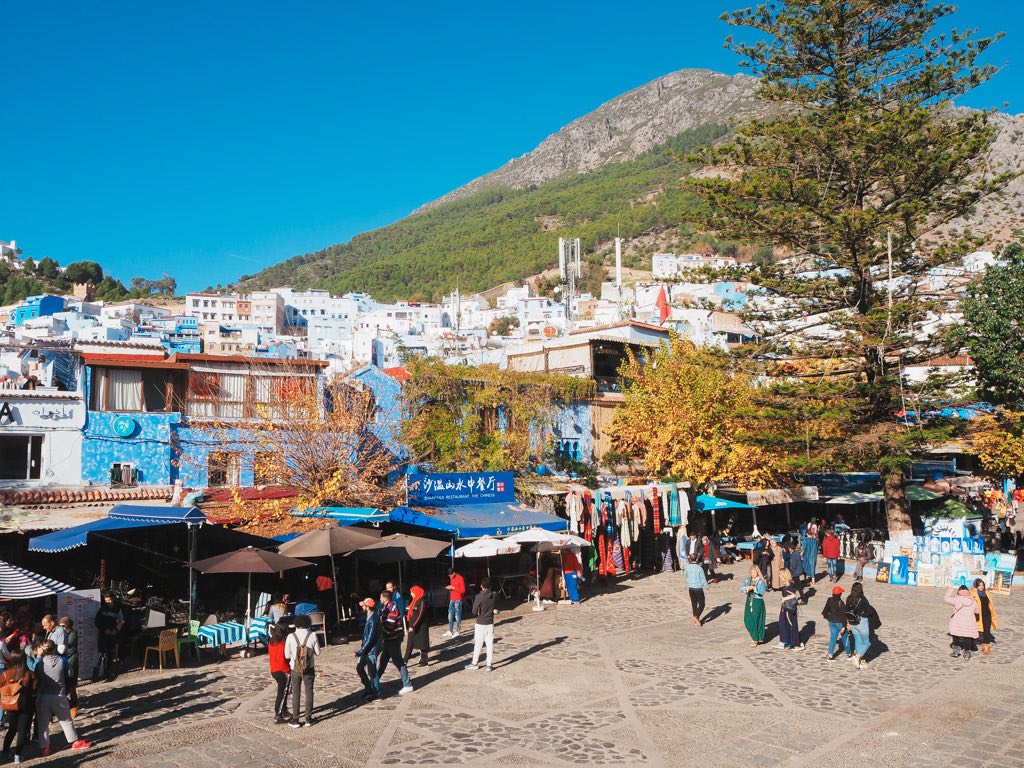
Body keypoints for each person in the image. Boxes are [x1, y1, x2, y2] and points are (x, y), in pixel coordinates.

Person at [34, 640, 90, 755]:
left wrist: (39, 656)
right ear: (55, 649)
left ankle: (45, 748)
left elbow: (34, 673)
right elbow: (70, 673)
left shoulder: (39, 663)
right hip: (59, 695)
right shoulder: (63, 660)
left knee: (43, 724)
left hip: (42, 696)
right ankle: (74, 742)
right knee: (66, 721)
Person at [284, 614, 320, 727]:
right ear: (308, 623)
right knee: (309, 692)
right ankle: (308, 719)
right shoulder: (313, 635)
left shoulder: (291, 636)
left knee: (296, 693)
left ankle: (295, 720)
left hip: (295, 668)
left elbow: (286, 655)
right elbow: (318, 653)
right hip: (309, 668)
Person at [376, 590, 413, 695]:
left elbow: (390, 626)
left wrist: (381, 632)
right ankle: (375, 680)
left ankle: (407, 684)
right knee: (383, 661)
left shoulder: (392, 608)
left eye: (381, 597)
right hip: (388, 639)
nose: (380, 599)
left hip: (393, 639)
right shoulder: (385, 607)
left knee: (398, 662)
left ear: (385, 598)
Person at [465, 577, 497, 671]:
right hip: (490, 622)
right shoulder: (494, 594)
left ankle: (474, 663)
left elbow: (474, 612)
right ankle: (489, 665)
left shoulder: (479, 596)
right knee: (489, 644)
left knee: (478, 644)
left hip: (480, 623)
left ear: (481, 586)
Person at [92, 592, 123, 681]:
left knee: (110, 654)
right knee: (100, 653)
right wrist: (104, 629)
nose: (107, 602)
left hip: (112, 635)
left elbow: (121, 621)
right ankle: (95, 673)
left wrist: (116, 630)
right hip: (103, 634)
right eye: (106, 601)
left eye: (109, 600)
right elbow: (96, 622)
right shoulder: (102, 609)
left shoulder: (118, 609)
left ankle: (108, 672)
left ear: (113, 599)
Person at [844, 581, 877, 668]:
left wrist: (847, 623)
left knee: (858, 641)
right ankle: (857, 657)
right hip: (862, 622)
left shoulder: (849, 598)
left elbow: (846, 611)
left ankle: (860, 662)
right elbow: (869, 610)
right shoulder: (863, 599)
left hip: (852, 622)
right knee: (866, 642)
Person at [355, 598, 381, 700]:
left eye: (363, 605)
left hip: (371, 649)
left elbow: (371, 638)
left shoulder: (374, 618)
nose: (362, 607)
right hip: (367, 648)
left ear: (368, 607)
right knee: (359, 667)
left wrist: (361, 651)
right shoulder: (369, 616)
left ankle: (376, 692)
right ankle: (368, 689)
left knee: (372, 672)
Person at [946, 584, 980, 660]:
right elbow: (977, 611)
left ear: (959, 592)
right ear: (968, 592)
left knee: (955, 635)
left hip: (957, 622)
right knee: (968, 636)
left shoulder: (956, 599)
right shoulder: (973, 601)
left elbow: (946, 598)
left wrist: (950, 589)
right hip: (969, 622)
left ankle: (956, 651)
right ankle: (967, 653)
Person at [267, 623, 292, 723]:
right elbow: (286, 657)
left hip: (274, 670)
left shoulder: (271, 642)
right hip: (283, 671)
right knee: (281, 694)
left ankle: (284, 710)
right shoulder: (283, 643)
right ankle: (278, 715)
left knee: (283, 693)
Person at [822, 586, 851, 660]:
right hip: (840, 624)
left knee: (833, 639)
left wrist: (828, 618)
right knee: (845, 639)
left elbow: (825, 612)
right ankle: (849, 654)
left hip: (831, 623)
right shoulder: (841, 603)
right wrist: (844, 626)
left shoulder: (829, 600)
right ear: (840, 594)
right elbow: (843, 616)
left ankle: (830, 655)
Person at [970, 578, 998, 656]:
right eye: (979, 585)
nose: (981, 587)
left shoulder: (986, 592)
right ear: (976, 585)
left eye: (982, 585)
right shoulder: (972, 593)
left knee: (987, 631)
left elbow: (990, 603)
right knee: (975, 629)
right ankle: (970, 644)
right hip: (977, 615)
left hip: (987, 614)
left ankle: (986, 647)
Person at [741, 565, 767, 647]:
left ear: (757, 572)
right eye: (751, 572)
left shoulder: (760, 581)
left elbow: (762, 592)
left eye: (753, 572)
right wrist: (746, 588)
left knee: (756, 619)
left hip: (757, 601)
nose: (752, 574)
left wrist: (753, 588)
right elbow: (741, 588)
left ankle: (754, 639)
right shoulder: (748, 580)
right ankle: (754, 635)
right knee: (747, 619)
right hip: (749, 601)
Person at [403, 586, 430, 667]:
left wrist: (413, 626)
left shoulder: (422, 601)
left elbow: (420, 615)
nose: (411, 594)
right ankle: (405, 660)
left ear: (416, 592)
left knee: (423, 644)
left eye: (412, 592)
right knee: (410, 643)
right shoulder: (415, 600)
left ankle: (424, 661)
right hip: (413, 625)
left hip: (420, 626)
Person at [777, 568, 803, 650]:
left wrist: (784, 599)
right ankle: (788, 642)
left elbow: (794, 595)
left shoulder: (790, 584)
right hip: (785, 607)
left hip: (789, 608)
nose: (779, 576)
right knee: (784, 623)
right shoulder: (785, 585)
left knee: (791, 624)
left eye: (780, 574)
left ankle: (795, 643)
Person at [57, 617, 78, 717]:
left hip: (71, 660)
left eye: (63, 625)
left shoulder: (73, 633)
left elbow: (68, 645)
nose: (62, 627)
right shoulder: (61, 633)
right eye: (60, 625)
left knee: (71, 684)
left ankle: (74, 705)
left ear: (68, 625)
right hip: (63, 660)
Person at [684, 555, 710, 626]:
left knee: (694, 604)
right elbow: (703, 579)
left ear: (690, 559)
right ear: (697, 559)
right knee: (702, 604)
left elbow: (685, 575)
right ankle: (696, 616)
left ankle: (696, 620)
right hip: (698, 588)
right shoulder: (699, 568)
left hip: (691, 588)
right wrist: (707, 587)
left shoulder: (687, 567)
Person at [442, 569, 465, 639]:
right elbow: (453, 588)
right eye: (449, 576)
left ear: (454, 573)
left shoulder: (460, 578)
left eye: (451, 575)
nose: (450, 577)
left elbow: (463, 590)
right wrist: (449, 588)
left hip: (458, 599)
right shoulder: (451, 578)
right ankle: (450, 630)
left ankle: (457, 631)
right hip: (452, 599)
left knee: (457, 616)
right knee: (450, 615)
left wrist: (454, 588)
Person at [802, 519, 820, 584]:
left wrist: (801, 553)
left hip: (807, 554)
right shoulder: (815, 540)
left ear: (807, 533)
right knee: (812, 566)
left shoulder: (805, 540)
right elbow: (817, 548)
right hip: (813, 554)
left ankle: (805, 578)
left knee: (805, 565)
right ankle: (813, 579)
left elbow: (804, 548)